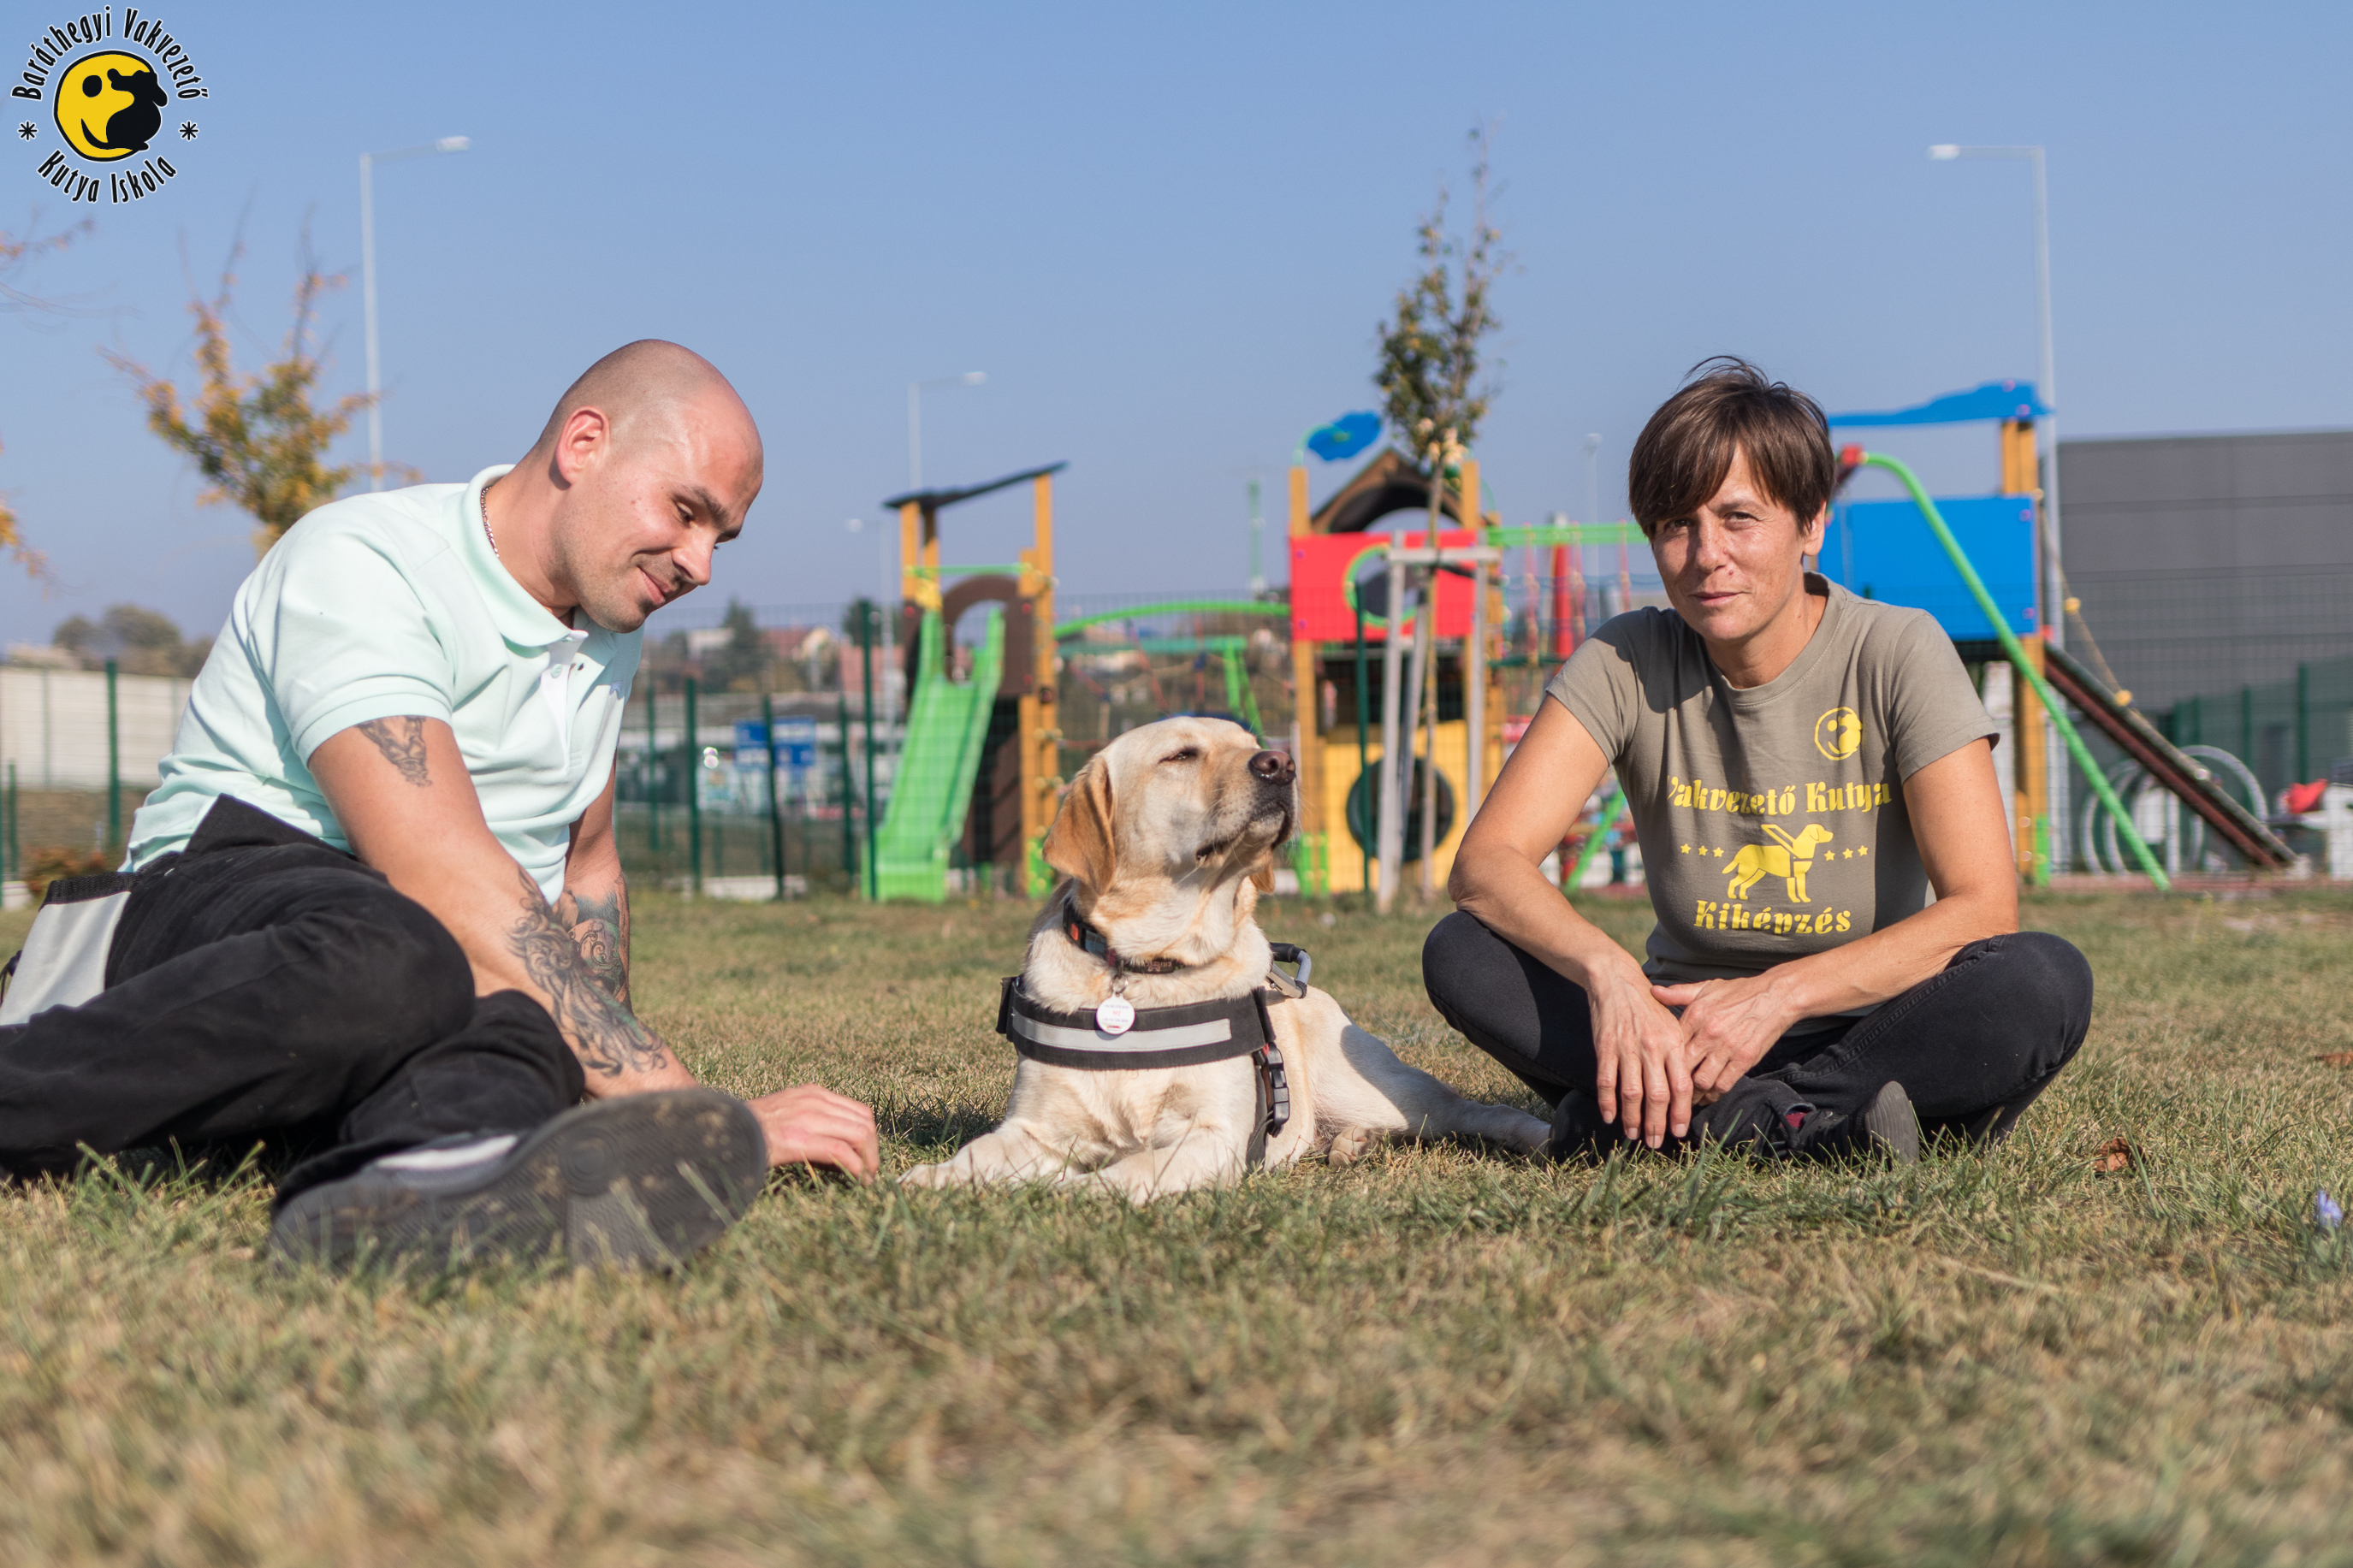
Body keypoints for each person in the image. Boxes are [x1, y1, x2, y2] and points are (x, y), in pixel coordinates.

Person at [0, 340, 880, 1266]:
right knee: (403, 945)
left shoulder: (602, 624)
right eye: (687, 511)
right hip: (209, 908)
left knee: (521, 1023)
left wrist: (594, 1088)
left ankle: (420, 1189)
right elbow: (436, 868)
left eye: (721, 537)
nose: (701, 564)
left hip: (377, 992)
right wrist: (681, 1108)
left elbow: (585, 864)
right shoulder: (367, 558)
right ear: (583, 445)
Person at [1428, 359, 2091, 1162]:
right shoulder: (1625, 658)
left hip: (1870, 1023)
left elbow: (1983, 908)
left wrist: (1780, 994)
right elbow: (1486, 864)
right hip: (1678, 1026)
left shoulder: (1898, 649)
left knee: (2043, 978)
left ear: (1810, 525)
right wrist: (1612, 979)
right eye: (1676, 524)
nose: (1706, 553)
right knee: (1462, 952)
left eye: (1739, 518)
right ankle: (1817, 1129)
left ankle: (1689, 1126)